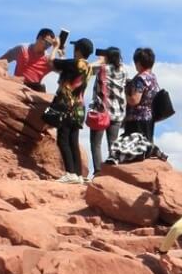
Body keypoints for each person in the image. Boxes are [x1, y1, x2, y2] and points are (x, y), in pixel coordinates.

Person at [47, 38, 94, 183]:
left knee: (63, 139)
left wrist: (55, 47)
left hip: (66, 105)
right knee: (73, 140)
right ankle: (78, 175)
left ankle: (70, 172)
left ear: (78, 50)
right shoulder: (88, 67)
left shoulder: (74, 63)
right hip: (79, 107)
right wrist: (62, 54)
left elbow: (51, 63)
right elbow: (64, 71)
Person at [88, 46, 128, 177]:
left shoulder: (103, 69)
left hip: (101, 112)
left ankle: (99, 172)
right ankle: (113, 173)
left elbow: (87, 69)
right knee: (113, 143)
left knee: (96, 143)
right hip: (117, 113)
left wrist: (100, 61)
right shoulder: (124, 70)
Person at [121, 47, 158, 141]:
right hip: (149, 119)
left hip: (136, 120)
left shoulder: (140, 79)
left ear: (138, 63)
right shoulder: (152, 78)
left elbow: (134, 100)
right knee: (147, 149)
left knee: (135, 151)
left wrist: (125, 92)